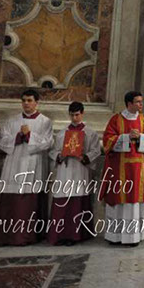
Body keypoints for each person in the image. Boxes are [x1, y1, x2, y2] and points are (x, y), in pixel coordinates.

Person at [0, 89, 54, 245]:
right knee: (11, 199)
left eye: (29, 100)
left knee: (29, 201)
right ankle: (7, 236)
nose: (26, 103)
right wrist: (18, 136)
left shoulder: (45, 121)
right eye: (24, 100)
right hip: (13, 163)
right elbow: (2, 141)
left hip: (33, 163)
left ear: (36, 102)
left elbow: (48, 142)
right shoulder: (12, 120)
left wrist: (29, 135)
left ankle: (27, 236)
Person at [100, 91, 144, 246]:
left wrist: (140, 137)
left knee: (135, 201)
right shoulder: (116, 119)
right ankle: (115, 236)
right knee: (119, 200)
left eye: (141, 101)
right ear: (129, 103)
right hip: (119, 168)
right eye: (138, 102)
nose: (141, 104)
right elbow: (107, 141)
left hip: (139, 169)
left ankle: (134, 237)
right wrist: (126, 137)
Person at [47, 101, 101, 245]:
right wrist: (60, 156)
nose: (74, 118)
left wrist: (85, 157)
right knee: (62, 200)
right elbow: (53, 151)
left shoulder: (90, 133)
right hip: (64, 170)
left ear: (82, 114)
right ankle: (59, 235)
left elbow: (96, 150)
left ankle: (76, 235)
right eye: (72, 115)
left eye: (77, 115)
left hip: (80, 170)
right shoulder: (62, 133)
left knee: (77, 202)